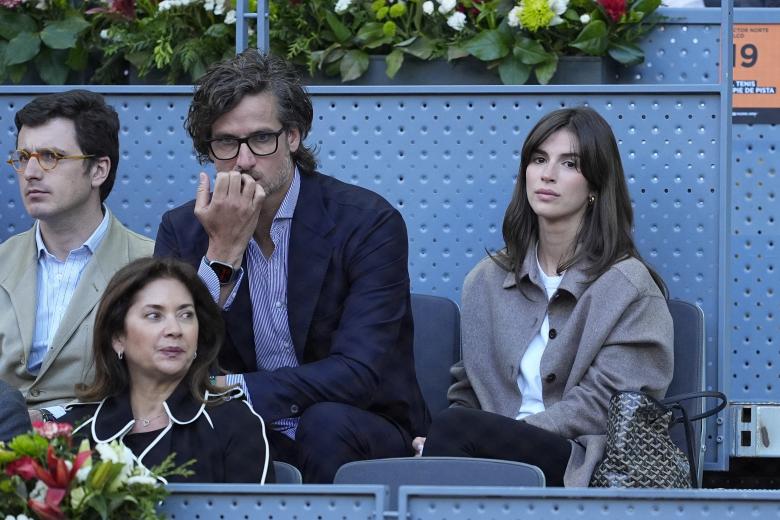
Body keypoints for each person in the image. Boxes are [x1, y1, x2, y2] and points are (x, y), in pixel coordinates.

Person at [153, 49, 429, 483]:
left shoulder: (366, 222)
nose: (244, 160)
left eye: (262, 139)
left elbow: (359, 373)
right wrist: (221, 254)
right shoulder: (184, 230)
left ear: (294, 137)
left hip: (358, 423)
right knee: (207, 433)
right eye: (226, 142)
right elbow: (166, 360)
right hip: (247, 428)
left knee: (324, 424)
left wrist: (233, 391)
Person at [414, 107, 674, 487]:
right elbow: (468, 393)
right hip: (488, 447)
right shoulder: (486, 281)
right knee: (438, 436)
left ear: (596, 187)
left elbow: (609, 406)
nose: (547, 174)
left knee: (453, 432)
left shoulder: (629, 288)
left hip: (580, 460)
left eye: (569, 164)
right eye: (538, 159)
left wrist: (488, 439)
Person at [0, 90, 154, 422]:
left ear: (99, 170)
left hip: (101, 448)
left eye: (50, 157)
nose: (30, 172)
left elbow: (157, 390)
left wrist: (49, 420)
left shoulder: (150, 267)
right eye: (24, 157)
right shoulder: (3, 261)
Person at [60, 257, 273, 483]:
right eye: (154, 315)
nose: (175, 329)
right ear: (117, 337)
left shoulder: (234, 422)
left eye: (186, 315)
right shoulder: (76, 431)